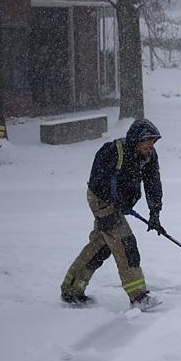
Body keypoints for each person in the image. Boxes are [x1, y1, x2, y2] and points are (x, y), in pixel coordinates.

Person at [60, 119, 167, 310]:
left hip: (119, 203)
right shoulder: (113, 151)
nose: (150, 145)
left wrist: (155, 213)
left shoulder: (149, 155)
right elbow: (96, 179)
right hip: (102, 201)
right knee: (126, 244)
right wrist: (112, 199)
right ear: (135, 140)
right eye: (146, 140)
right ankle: (138, 296)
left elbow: (153, 183)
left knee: (100, 246)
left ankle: (71, 289)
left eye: (153, 141)